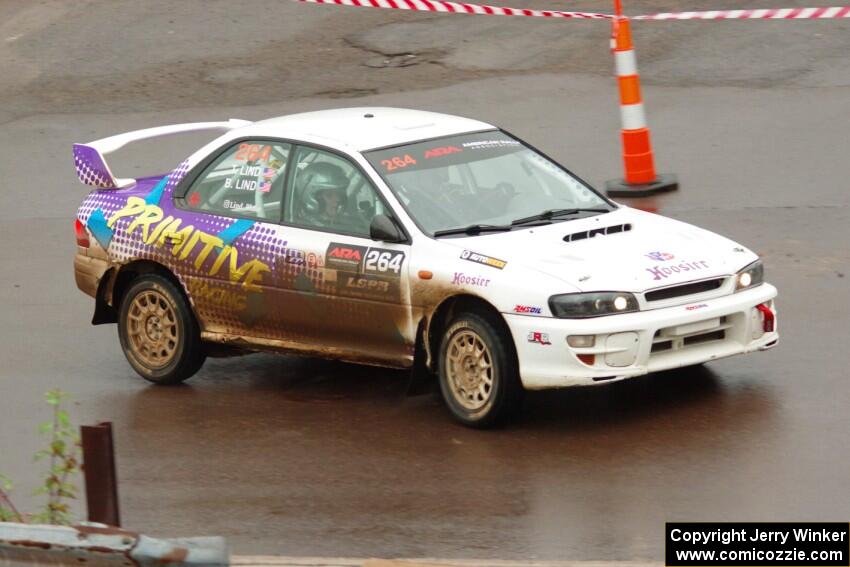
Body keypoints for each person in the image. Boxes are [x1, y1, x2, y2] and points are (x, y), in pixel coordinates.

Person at [297, 161, 349, 229]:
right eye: (329, 195)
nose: (337, 199)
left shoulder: (338, 223)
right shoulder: (302, 226)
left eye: (338, 194)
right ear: (312, 197)